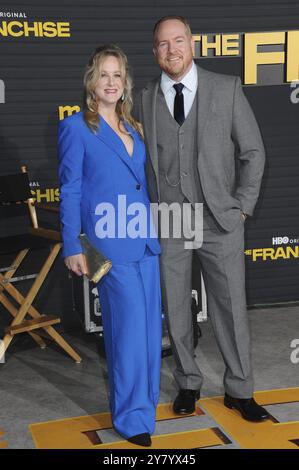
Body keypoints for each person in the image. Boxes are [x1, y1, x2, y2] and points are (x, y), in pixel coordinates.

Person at [137, 16, 270, 422]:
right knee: (176, 308)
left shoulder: (225, 88)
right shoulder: (143, 98)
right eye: (163, 44)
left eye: (178, 41)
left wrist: (242, 206)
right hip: (171, 218)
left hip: (219, 219)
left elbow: (253, 153)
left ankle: (240, 389)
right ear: (155, 51)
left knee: (230, 307)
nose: (171, 49)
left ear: (192, 44)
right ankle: (188, 383)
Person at [58, 44, 162, 447]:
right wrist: (72, 245)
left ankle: (145, 405)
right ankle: (131, 418)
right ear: (92, 81)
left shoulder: (131, 124)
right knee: (130, 330)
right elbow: (70, 190)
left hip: (144, 242)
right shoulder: (76, 127)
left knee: (150, 330)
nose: (112, 82)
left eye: (118, 75)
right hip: (109, 245)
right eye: (104, 74)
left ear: (125, 82)